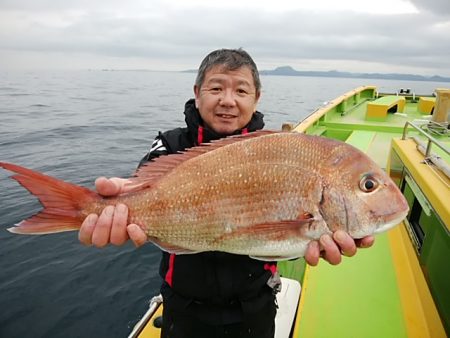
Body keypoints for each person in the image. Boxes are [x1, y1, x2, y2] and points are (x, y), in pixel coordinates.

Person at [79, 48, 374, 338]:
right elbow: (145, 177)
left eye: (241, 91)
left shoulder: (278, 149)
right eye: (216, 88)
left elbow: (285, 239)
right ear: (198, 92)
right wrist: (119, 206)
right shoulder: (170, 144)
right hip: (183, 310)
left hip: (254, 309)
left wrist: (310, 239)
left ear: (256, 98)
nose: (228, 101)